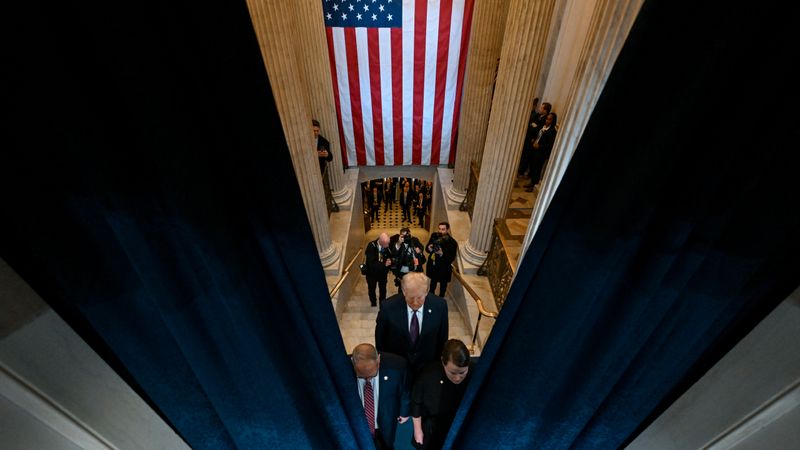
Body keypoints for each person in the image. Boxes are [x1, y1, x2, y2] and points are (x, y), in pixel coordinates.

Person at [375, 272, 448, 378]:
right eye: (410, 297)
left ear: (427, 291)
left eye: (419, 297)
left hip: (427, 367)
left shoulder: (440, 306)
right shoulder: (388, 307)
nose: (415, 302)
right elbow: (380, 340)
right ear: (404, 291)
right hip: (397, 367)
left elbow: (442, 338)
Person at [410, 339, 474, 450]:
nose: (457, 378)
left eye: (462, 372)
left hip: (461, 423)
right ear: (442, 362)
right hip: (433, 426)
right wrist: (417, 430)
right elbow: (416, 403)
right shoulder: (427, 375)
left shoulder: (476, 373)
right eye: (453, 373)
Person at [351, 343, 410, 449]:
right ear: (352, 362)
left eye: (372, 375)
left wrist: (404, 412)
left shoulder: (397, 366)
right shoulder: (341, 369)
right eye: (362, 376)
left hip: (386, 419)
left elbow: (404, 390)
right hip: (358, 425)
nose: (368, 379)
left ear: (378, 360)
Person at [524, 112, 558, 192]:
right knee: (533, 166)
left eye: (549, 119)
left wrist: (540, 146)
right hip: (535, 150)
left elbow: (549, 145)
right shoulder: (543, 127)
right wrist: (535, 140)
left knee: (537, 169)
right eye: (547, 119)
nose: (547, 121)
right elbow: (539, 136)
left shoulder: (552, 131)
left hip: (541, 153)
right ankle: (531, 182)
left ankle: (533, 186)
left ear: (553, 121)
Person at [425, 222, 458, 298]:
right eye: (439, 229)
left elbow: (451, 258)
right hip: (434, 265)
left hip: (444, 268)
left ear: (447, 230)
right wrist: (429, 248)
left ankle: (441, 299)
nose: (440, 231)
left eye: (443, 229)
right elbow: (427, 248)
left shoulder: (452, 242)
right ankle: (431, 298)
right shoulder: (434, 235)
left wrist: (441, 254)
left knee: (443, 286)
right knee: (432, 284)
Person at [365, 233, 393, 307]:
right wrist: (384, 265)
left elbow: (390, 255)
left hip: (382, 273)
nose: (387, 246)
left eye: (388, 243)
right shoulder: (371, 246)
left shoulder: (387, 245)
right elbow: (371, 263)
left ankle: (382, 304)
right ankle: (373, 302)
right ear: (380, 242)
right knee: (371, 289)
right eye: (386, 244)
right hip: (372, 274)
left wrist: (390, 260)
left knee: (383, 289)